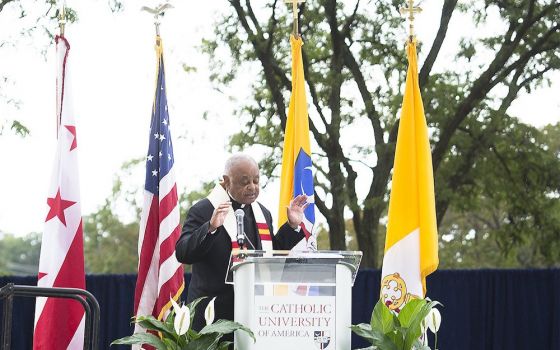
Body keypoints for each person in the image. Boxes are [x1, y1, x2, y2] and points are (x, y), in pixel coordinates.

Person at [175, 153, 308, 333]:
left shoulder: (263, 213)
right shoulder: (204, 210)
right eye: (244, 182)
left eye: (256, 180)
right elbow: (183, 253)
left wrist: (292, 226)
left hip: (254, 311)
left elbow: (270, 257)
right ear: (226, 181)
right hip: (212, 315)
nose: (252, 187)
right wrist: (211, 227)